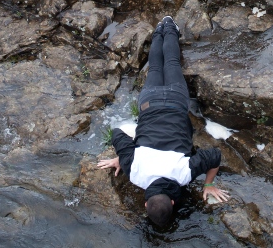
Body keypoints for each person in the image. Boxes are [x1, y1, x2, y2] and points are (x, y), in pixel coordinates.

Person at [98, 17, 229, 228]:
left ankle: (169, 27)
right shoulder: (135, 173)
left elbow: (215, 157)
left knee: (172, 63)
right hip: (150, 103)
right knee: (157, 68)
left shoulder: (184, 175)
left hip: (176, 102)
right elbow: (117, 134)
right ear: (146, 202)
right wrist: (123, 157)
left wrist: (209, 184)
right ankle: (160, 29)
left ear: (173, 201)